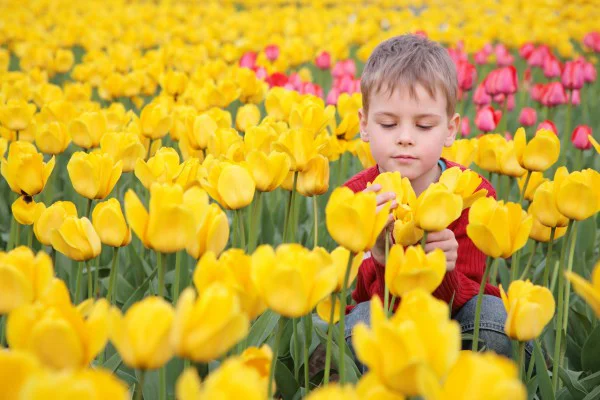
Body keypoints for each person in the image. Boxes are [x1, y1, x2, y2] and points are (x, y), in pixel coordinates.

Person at [310, 34, 534, 378]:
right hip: (384, 320)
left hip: (456, 321)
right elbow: (352, 295)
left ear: (450, 130)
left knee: (495, 322)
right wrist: (385, 263)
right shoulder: (356, 198)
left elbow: (469, 301)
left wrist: (441, 271)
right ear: (365, 124)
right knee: (352, 328)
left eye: (424, 125)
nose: (405, 137)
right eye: (388, 124)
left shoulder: (472, 194)